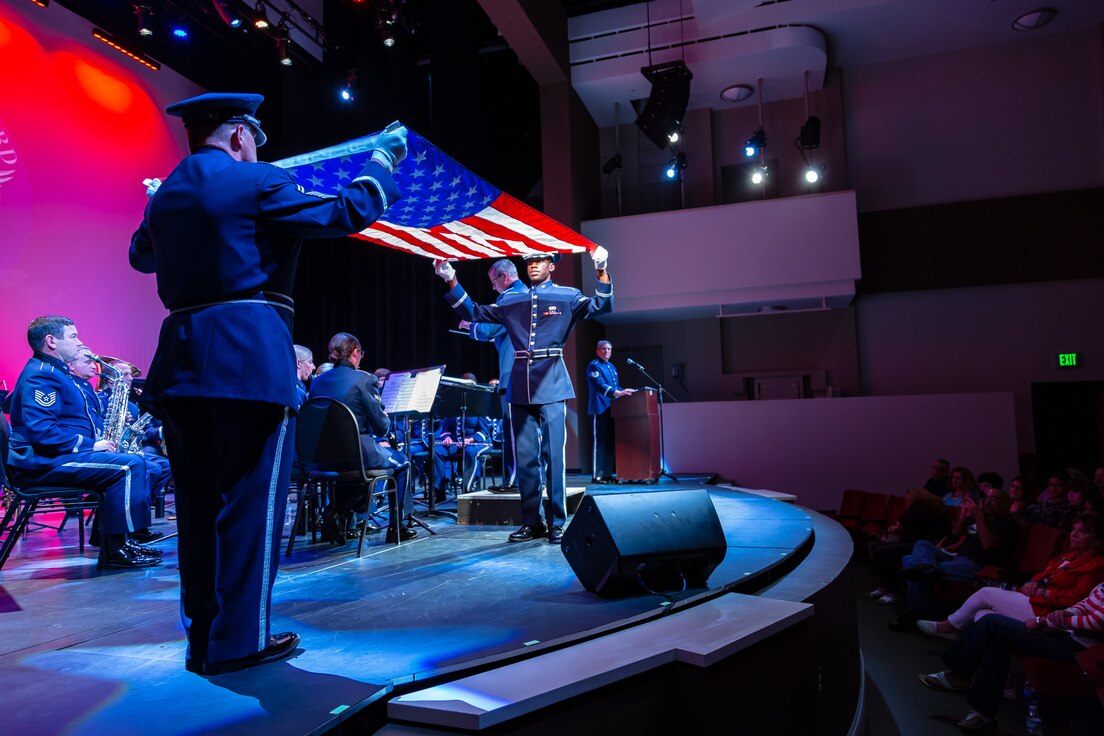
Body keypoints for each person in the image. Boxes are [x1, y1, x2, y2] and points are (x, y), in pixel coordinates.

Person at [129, 92, 406, 676]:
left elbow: (140, 256)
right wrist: (382, 161)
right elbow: (345, 213)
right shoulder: (255, 180)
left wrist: (163, 210)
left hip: (179, 360)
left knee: (198, 510)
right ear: (237, 136)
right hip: (248, 356)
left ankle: (203, 638)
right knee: (250, 506)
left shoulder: (166, 196)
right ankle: (240, 642)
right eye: (254, 136)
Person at [434, 246, 612, 544]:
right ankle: (533, 522)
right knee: (527, 459)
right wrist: (451, 279)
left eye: (540, 260)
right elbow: (475, 311)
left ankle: (557, 521)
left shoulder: (566, 295)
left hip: (553, 381)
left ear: (551, 266)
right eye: (529, 261)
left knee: (554, 456)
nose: (533, 265)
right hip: (520, 383)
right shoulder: (511, 298)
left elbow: (602, 306)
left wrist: (602, 271)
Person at [7, 317, 158, 568]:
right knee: (127, 467)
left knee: (131, 463)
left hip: (53, 457)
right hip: (40, 463)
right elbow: (43, 433)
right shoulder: (42, 376)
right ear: (51, 341)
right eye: (73, 336)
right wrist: (91, 445)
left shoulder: (55, 373)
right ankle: (115, 550)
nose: (80, 342)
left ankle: (115, 541)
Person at [919, 581, 1104, 730]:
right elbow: (1085, 604)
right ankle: (982, 712)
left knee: (992, 622)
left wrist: (1046, 620)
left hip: (1086, 650)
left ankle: (960, 674)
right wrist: (1065, 614)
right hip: (1066, 633)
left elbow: (1097, 622)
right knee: (1001, 638)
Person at [917, 514, 1104, 638]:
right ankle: (1004, 682)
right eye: (1074, 529)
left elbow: (1078, 598)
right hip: (1034, 598)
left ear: (1097, 539)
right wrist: (1033, 582)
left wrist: (1045, 593)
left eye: (1083, 531)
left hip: (1048, 611)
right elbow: (1044, 573)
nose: (1074, 534)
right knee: (983, 615)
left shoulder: (1096, 565)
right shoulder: (1068, 556)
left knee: (986, 593)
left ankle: (949, 625)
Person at [306, 333, 414, 543]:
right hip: (357, 456)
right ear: (355, 353)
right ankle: (397, 528)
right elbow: (381, 428)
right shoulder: (364, 379)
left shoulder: (317, 383)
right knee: (402, 463)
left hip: (321, 457)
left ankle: (338, 512)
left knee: (354, 465)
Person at [891, 488, 1020, 630]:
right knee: (922, 544)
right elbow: (955, 533)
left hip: (977, 565)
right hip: (957, 557)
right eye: (986, 498)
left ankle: (915, 612)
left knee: (910, 562)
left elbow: (988, 544)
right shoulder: (981, 517)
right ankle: (926, 567)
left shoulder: (1008, 524)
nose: (988, 502)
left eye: (994, 499)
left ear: (1006, 504)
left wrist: (979, 518)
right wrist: (963, 517)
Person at [457, 258, 527, 491]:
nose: (493, 287)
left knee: (514, 433)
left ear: (504, 277)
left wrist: (471, 325)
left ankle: (513, 481)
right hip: (525, 372)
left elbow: (489, 327)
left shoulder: (509, 297)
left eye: (494, 281)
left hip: (512, 373)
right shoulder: (526, 294)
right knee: (524, 431)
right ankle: (523, 480)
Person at [865, 487, 951, 605]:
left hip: (921, 545)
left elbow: (915, 530)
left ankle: (894, 591)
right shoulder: (926, 507)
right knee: (876, 547)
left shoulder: (921, 508)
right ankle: (885, 586)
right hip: (914, 542)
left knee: (881, 551)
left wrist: (900, 528)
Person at [586, 340, 635, 484]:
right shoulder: (594, 366)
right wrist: (618, 392)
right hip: (598, 408)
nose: (606, 351)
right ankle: (597, 476)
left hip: (611, 409)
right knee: (599, 443)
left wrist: (625, 391)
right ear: (597, 351)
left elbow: (615, 386)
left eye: (609, 349)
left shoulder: (611, 367)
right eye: (603, 349)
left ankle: (607, 474)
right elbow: (599, 384)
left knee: (609, 443)